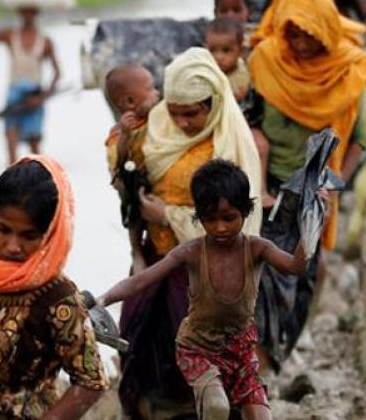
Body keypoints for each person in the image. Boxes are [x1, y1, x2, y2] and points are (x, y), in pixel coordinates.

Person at [96, 159, 315, 419]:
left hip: (241, 350)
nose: (220, 227)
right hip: (198, 347)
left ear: (246, 212)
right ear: (198, 216)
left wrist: (312, 224)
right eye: (210, 219)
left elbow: (296, 266)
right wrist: (103, 298)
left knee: (261, 415)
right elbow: (141, 280)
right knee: (216, 407)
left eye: (229, 218)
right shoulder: (191, 252)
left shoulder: (257, 249)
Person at [118, 47, 262, 418]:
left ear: (212, 103)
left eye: (191, 114)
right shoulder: (155, 126)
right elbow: (130, 179)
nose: (180, 122)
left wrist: (168, 214)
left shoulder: (228, 144)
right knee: (138, 347)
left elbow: (231, 220)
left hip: (204, 267)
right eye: (174, 111)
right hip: (156, 257)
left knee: (201, 356)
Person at [248, 0, 366, 371]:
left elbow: (359, 139)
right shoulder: (267, 59)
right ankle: (257, 368)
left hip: (315, 195)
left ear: (326, 31)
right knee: (264, 280)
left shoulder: (348, 71)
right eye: (294, 33)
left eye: (310, 35)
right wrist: (258, 166)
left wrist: (334, 188)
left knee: (302, 278)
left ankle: (275, 358)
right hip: (268, 190)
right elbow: (249, 119)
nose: (302, 44)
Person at [0, 156, 107, 418]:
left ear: (50, 234)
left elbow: (91, 382)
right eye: (3, 230)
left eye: (28, 235)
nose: (12, 246)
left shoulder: (58, 298)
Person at [0, 4, 62, 163]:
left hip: (35, 95)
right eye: (25, 12)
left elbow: (57, 73)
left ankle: (38, 181)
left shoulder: (45, 42)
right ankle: (12, 179)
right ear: (20, 13)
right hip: (14, 95)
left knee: (35, 147)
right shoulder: (10, 35)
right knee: (11, 142)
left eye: (31, 12)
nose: (28, 16)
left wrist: (42, 97)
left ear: (36, 13)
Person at [205, 18, 272, 208]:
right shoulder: (207, 73)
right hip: (215, 126)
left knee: (261, 145)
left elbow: (258, 99)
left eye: (226, 51)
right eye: (213, 51)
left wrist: (244, 97)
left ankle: (261, 190)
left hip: (245, 124)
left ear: (240, 51)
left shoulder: (247, 71)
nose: (219, 57)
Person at [104, 65, 161, 271]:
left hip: (154, 176)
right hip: (133, 180)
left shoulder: (158, 116)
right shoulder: (120, 131)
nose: (157, 93)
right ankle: (136, 251)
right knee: (134, 214)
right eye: (150, 89)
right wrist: (126, 137)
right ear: (129, 102)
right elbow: (117, 161)